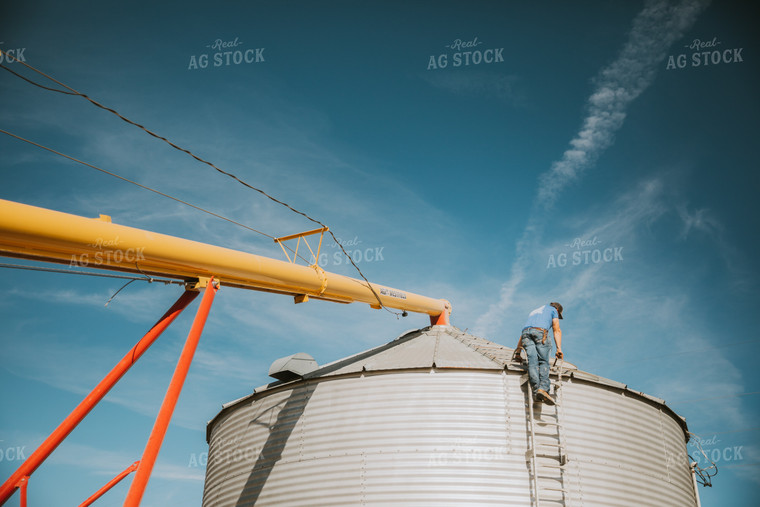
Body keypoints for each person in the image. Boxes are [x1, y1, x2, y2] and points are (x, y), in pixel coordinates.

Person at [512, 302, 564, 404]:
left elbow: (523, 333)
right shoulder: (553, 310)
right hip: (540, 333)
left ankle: (536, 392)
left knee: (532, 362)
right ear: (557, 310)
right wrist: (559, 349)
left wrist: (518, 352)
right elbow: (556, 329)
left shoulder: (534, 312)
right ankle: (543, 389)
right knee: (543, 362)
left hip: (526, 334)